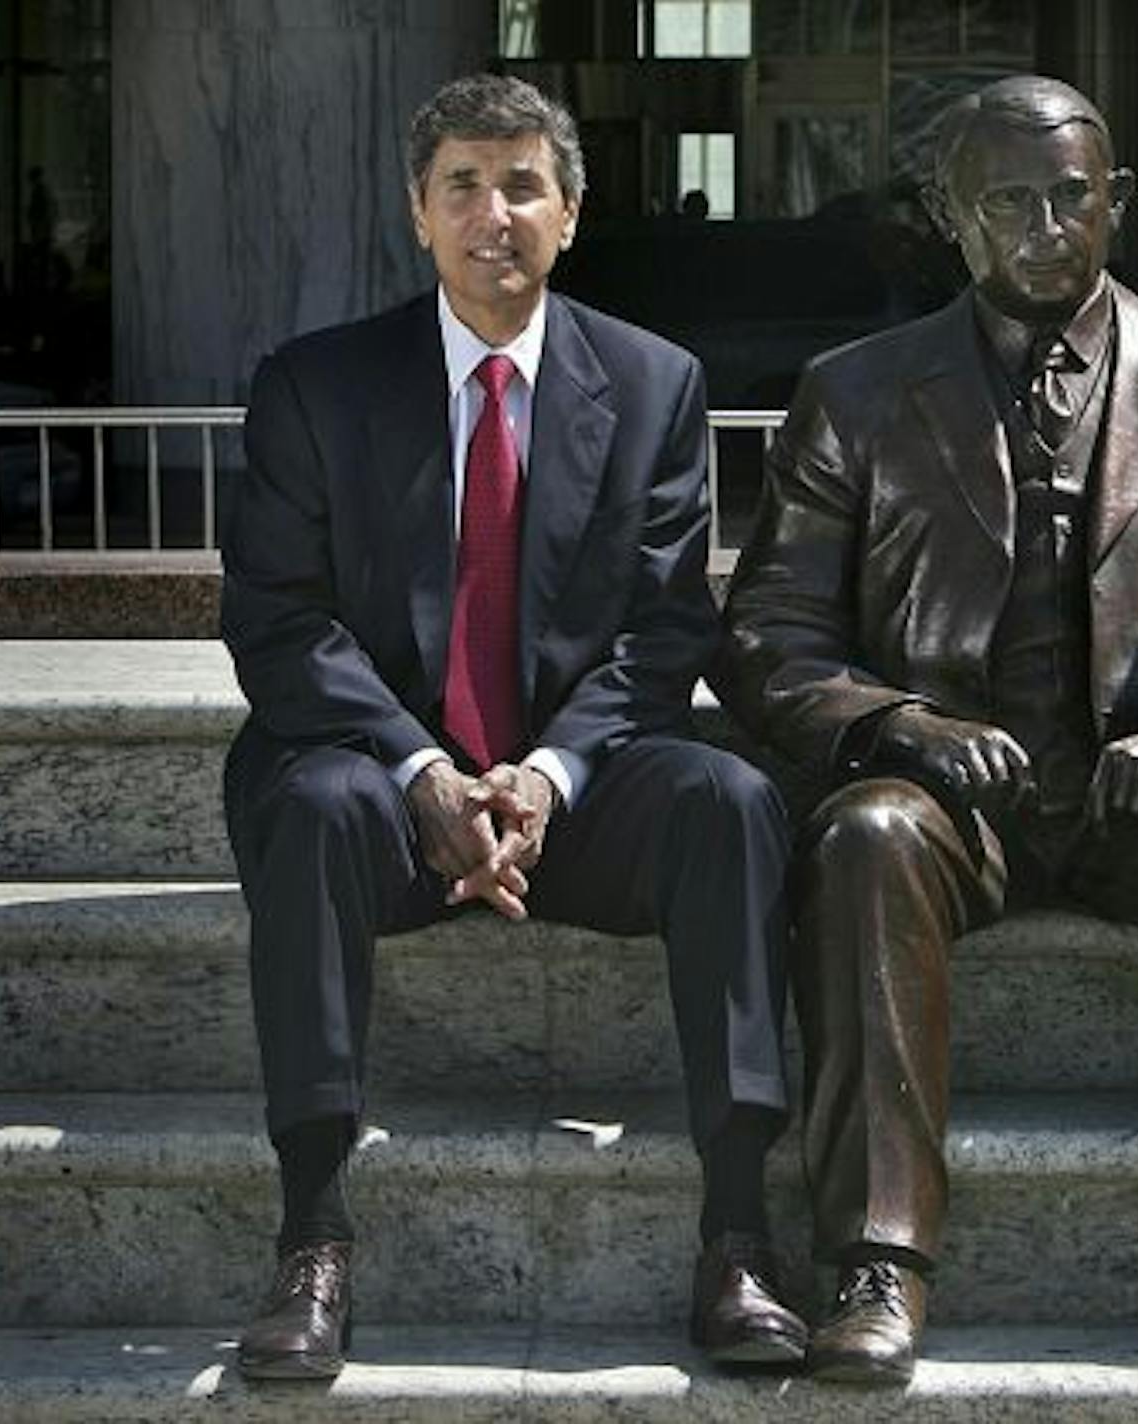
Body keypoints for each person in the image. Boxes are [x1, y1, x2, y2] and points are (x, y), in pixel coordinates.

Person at [721, 75, 1138, 1385]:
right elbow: (767, 637)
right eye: (1007, 201)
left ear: (1113, 201)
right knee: (864, 841)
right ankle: (877, 1262)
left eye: (1071, 196)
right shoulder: (855, 394)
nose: (1044, 225)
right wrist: (901, 725)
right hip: (957, 808)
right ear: (950, 220)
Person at [219, 74, 804, 1379]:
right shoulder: (316, 387)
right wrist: (425, 772)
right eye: (463, 187)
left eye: (523, 183)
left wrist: (545, 775)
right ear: (418, 216)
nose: (496, 214)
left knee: (732, 801)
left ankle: (741, 1233)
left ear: (573, 212)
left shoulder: (654, 386)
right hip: (381, 791)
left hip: (573, 797)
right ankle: (312, 1234)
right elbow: (279, 622)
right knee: (309, 803)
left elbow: (663, 631)